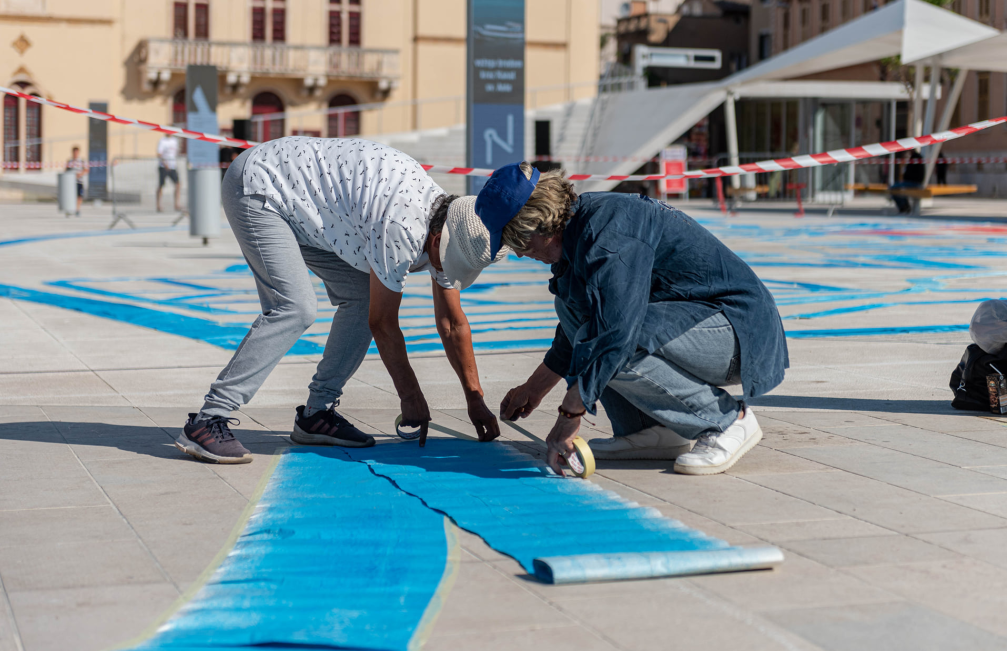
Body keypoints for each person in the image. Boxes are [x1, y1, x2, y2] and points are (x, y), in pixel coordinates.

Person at [176, 137, 505, 464]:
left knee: (361, 299)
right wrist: (410, 396)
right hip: (261, 184)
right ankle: (207, 419)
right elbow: (383, 323)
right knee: (295, 307)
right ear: (437, 240)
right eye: (446, 264)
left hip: (314, 209)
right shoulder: (402, 226)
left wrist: (475, 400)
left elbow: (452, 322)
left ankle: (316, 414)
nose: (445, 273)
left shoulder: (452, 228)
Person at [495, 165, 788, 476]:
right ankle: (650, 430)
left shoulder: (609, 231)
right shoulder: (579, 232)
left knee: (619, 339)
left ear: (542, 226)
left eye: (522, 245)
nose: (521, 255)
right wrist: (534, 388)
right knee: (572, 308)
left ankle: (727, 420)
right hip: (703, 326)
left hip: (740, 335)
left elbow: (615, 334)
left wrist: (570, 413)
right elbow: (583, 326)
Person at [156, 134, 182, 212]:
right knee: (161, 185)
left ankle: (177, 204)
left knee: (178, 184)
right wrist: (165, 163)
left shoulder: (174, 140)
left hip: (172, 166)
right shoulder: (162, 141)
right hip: (163, 166)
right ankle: (158, 205)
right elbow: (159, 154)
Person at [65, 146, 89, 215]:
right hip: (71, 182)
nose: (75, 154)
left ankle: (77, 209)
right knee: (71, 196)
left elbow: (86, 170)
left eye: (76, 152)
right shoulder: (70, 161)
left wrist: (80, 174)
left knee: (79, 196)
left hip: (79, 181)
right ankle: (70, 209)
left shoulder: (81, 161)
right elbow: (66, 170)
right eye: (74, 152)